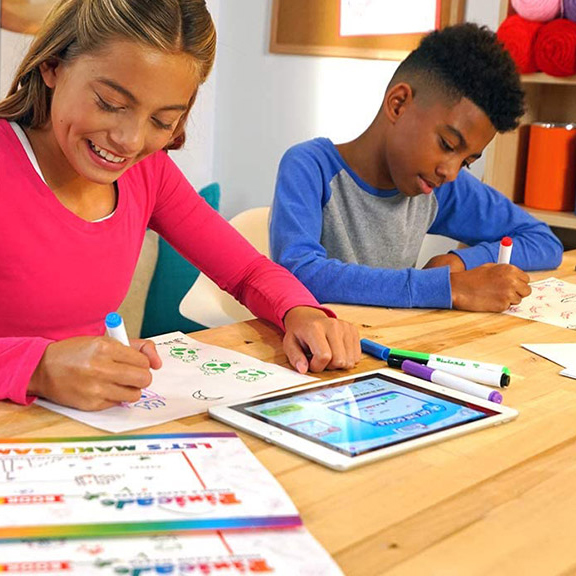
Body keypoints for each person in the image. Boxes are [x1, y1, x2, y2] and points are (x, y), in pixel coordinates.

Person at [0, 0, 360, 411]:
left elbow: (245, 270)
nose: (130, 141)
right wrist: (38, 368)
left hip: (74, 428)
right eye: (110, 103)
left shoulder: (147, 173)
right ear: (53, 66)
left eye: (161, 121)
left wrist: (301, 311)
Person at [270, 23, 563, 314]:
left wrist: (462, 262)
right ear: (398, 104)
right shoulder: (310, 168)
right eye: (448, 144)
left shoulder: (440, 187)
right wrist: (449, 288)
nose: (451, 171)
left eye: (466, 162)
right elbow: (299, 273)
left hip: (392, 348)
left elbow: (543, 241)